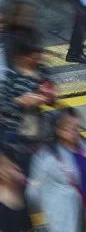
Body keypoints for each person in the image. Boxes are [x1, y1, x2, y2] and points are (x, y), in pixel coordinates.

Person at [0, 40, 56, 172]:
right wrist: (20, 101)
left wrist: (49, 95)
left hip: (35, 131)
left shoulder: (42, 73)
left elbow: (52, 100)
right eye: (32, 56)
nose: (35, 60)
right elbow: (2, 104)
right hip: (13, 133)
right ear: (22, 57)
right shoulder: (11, 75)